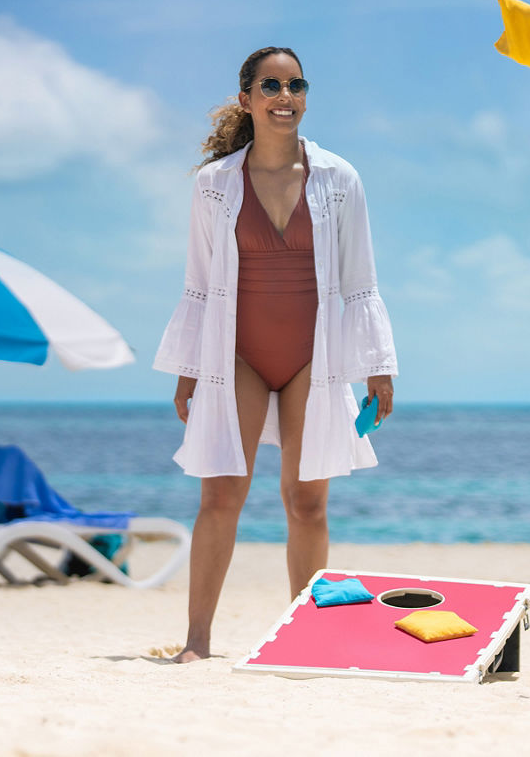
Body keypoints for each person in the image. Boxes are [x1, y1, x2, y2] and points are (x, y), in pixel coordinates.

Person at [154, 46, 398, 663]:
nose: (285, 97)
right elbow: (199, 281)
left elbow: (361, 277)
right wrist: (187, 370)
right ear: (247, 99)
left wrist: (378, 366)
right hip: (235, 354)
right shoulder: (214, 184)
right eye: (271, 86)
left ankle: (306, 641)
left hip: (314, 357)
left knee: (307, 503)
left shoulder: (339, 179)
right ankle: (197, 642)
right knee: (220, 497)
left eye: (296, 86)